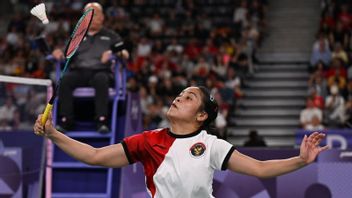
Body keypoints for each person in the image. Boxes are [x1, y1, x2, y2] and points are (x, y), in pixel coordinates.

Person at [34, 86, 328, 198]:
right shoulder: (148, 141)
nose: (178, 97)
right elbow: (95, 156)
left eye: (188, 98)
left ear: (201, 115)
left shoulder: (211, 144)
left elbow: (261, 168)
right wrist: (54, 133)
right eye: (179, 94)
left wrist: (301, 160)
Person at [52, 2, 129, 133]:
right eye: (88, 14)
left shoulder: (111, 35)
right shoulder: (77, 36)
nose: (92, 17)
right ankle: (66, 121)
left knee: (101, 80)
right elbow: (65, 54)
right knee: (64, 80)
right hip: (79, 71)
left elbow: (125, 54)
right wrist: (58, 53)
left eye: (95, 14)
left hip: (101, 72)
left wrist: (112, 53)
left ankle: (101, 121)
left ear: (102, 17)